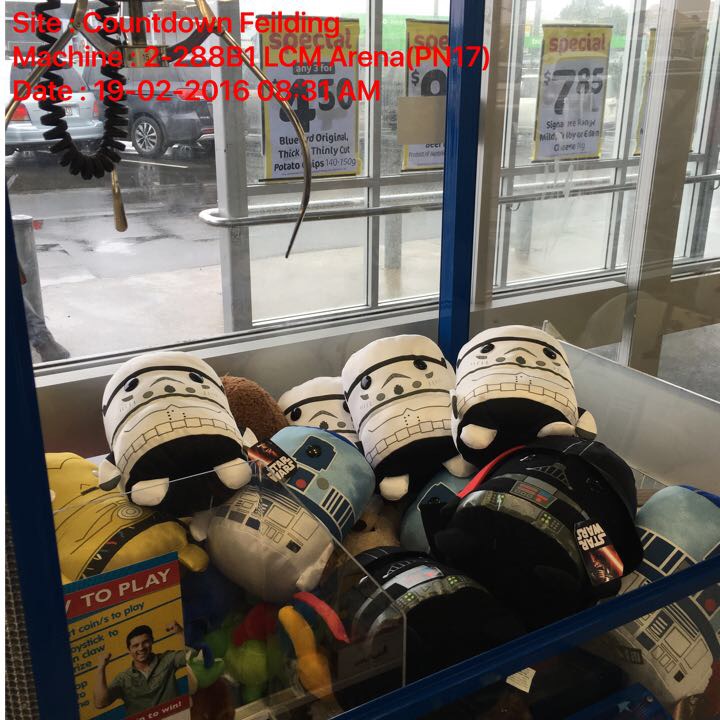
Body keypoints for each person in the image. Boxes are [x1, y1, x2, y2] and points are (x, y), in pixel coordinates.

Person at [93, 622, 185, 715]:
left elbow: (192, 657)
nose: (141, 648)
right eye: (135, 645)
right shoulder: (123, 679)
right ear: (129, 650)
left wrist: (181, 632)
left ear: (152, 641)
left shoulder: (168, 659)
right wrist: (101, 668)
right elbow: (100, 703)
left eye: (145, 642)